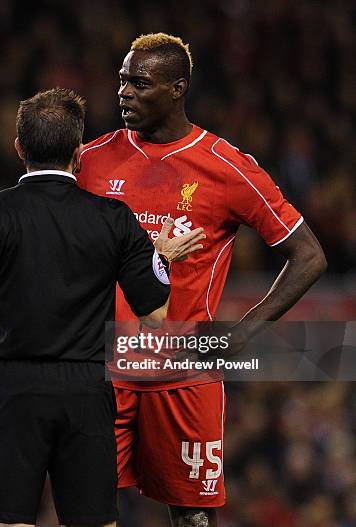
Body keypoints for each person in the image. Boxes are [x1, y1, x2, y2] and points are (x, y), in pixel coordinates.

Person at [0, 87, 205, 527]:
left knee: (10, 521)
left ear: (19, 147)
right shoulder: (114, 217)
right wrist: (158, 258)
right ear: (80, 152)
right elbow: (155, 316)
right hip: (87, 389)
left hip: (16, 389)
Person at [76, 33, 327, 527]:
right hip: (103, 369)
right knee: (85, 508)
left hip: (184, 372)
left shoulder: (226, 167)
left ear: (177, 89)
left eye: (139, 83)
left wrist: (244, 331)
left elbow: (309, 256)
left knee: (192, 517)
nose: (123, 92)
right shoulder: (91, 160)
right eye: (122, 81)